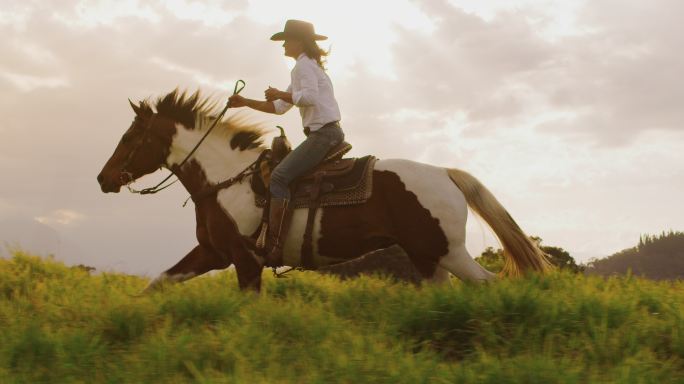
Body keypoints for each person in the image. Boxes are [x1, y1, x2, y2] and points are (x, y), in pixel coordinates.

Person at [228, 19, 345, 267]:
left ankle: (276, 245)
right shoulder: (306, 67)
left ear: (299, 42)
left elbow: (309, 98)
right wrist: (246, 102)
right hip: (327, 133)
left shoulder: (302, 68)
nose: (283, 46)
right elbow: (281, 108)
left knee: (279, 176)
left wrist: (281, 93)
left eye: (286, 40)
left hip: (323, 134)